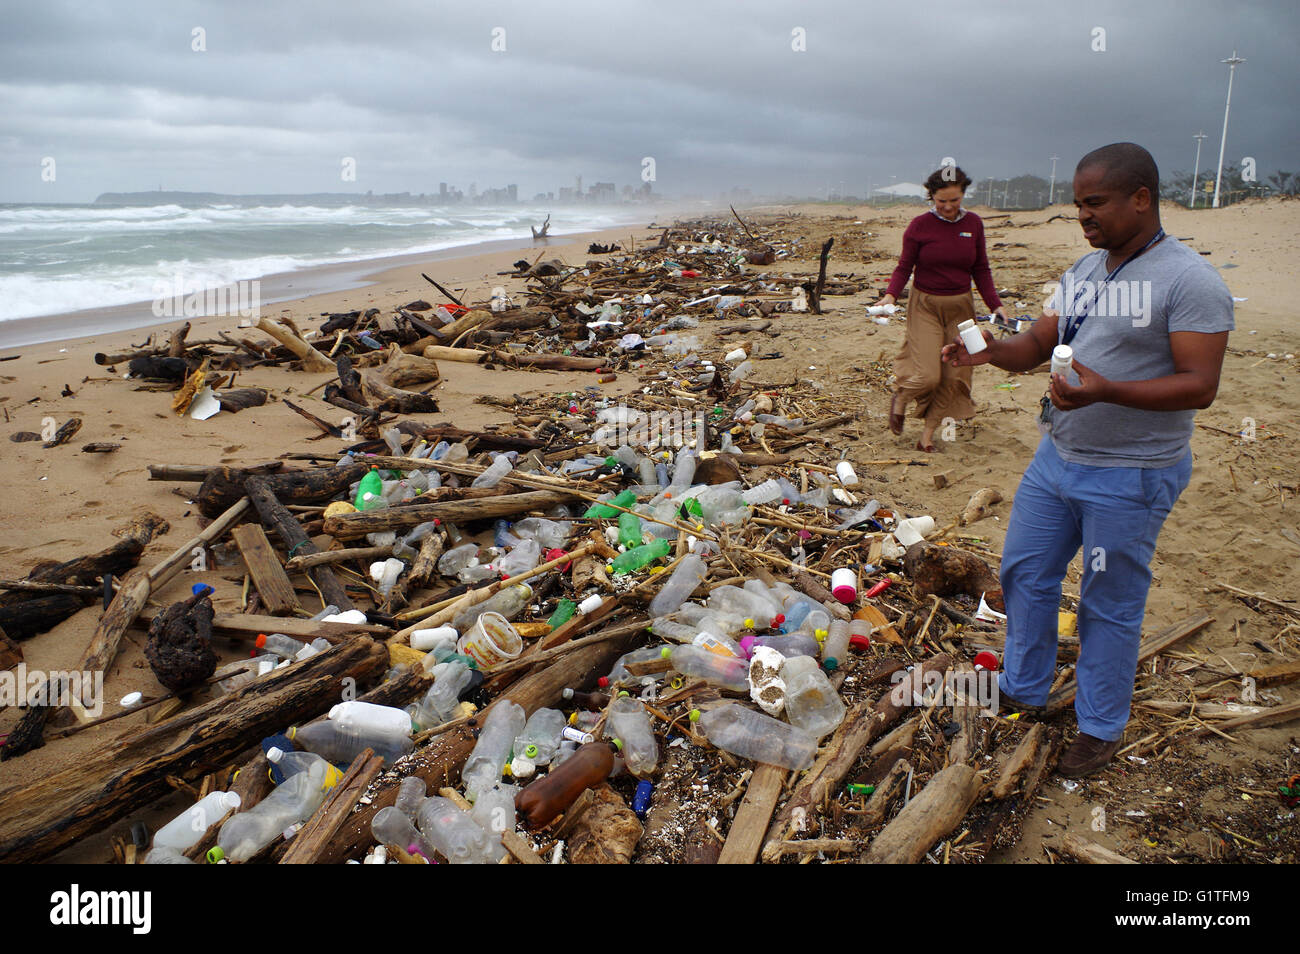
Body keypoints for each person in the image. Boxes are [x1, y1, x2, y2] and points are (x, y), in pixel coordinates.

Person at [943, 143, 1233, 777]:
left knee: (1109, 600)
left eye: (1095, 202)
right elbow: (1039, 344)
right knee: (1025, 574)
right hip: (1058, 459)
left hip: (1130, 474)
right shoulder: (1083, 270)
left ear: (1142, 199)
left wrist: (1106, 390)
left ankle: (1100, 726)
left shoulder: (1191, 281)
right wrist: (989, 353)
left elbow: (1199, 385)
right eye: (1078, 204)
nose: (1083, 215)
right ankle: (1024, 687)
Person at [874, 165, 1012, 452]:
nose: (949, 207)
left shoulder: (973, 224)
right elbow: (904, 267)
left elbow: (981, 268)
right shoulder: (919, 227)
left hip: (962, 309)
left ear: (963, 196)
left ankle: (927, 435)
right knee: (929, 374)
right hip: (924, 305)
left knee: (955, 374)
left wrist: (995, 305)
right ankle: (901, 398)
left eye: (955, 201)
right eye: (942, 201)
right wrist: (890, 295)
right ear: (931, 198)